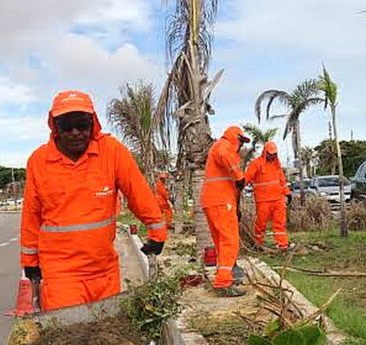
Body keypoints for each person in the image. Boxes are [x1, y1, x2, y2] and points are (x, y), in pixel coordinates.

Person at [20, 90, 167, 311]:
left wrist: (157, 232)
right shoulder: (39, 161)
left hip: (104, 270)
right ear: (55, 127)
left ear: (93, 124)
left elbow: (138, 192)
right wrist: (30, 262)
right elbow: (31, 215)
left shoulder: (112, 151)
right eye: (67, 126)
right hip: (61, 274)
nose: (75, 132)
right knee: (69, 328)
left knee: (107, 328)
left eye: (82, 125)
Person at [201, 125, 250, 297]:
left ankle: (224, 274)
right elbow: (224, 156)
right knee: (230, 240)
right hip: (221, 201)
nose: (241, 145)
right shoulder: (224, 146)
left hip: (214, 201)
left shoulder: (221, 148)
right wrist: (239, 176)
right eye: (241, 141)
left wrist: (237, 207)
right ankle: (223, 281)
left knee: (222, 241)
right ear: (235, 138)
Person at [245, 141, 290, 250]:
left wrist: (287, 193)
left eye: (274, 154)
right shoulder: (256, 163)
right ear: (265, 152)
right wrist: (237, 188)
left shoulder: (276, 164)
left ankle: (283, 244)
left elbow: (282, 180)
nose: (272, 156)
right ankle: (258, 243)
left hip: (278, 199)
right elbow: (247, 178)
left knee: (280, 223)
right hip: (263, 200)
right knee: (261, 223)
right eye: (270, 154)